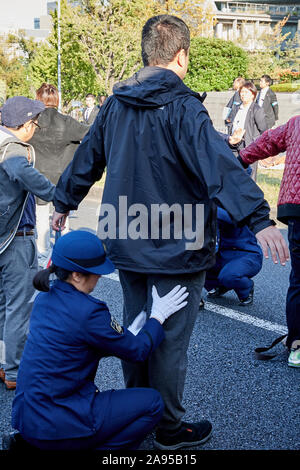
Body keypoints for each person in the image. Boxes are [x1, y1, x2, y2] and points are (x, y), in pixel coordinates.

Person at [51, 15, 289, 450]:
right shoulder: (184, 108)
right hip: (180, 246)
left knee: (137, 327)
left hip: (125, 237)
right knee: (171, 342)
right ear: (181, 56)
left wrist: (64, 201)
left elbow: (88, 156)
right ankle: (169, 427)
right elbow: (219, 163)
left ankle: (138, 416)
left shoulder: (116, 103)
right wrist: (259, 218)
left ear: (147, 54)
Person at [9, 230, 189, 450]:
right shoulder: (89, 311)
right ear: (76, 275)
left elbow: (76, 345)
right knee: (152, 403)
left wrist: (125, 334)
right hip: (58, 422)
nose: (100, 275)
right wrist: (157, 317)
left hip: (28, 419)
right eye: (95, 271)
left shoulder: (44, 297)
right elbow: (138, 351)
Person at [0, 96, 55, 390]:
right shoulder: (12, 149)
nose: (35, 127)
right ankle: (14, 371)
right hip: (15, 238)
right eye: (33, 122)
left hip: (1, 237)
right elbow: (24, 174)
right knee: (19, 307)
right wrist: (58, 195)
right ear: (22, 125)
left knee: (2, 306)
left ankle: (2, 363)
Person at [238, 115, 300, 367]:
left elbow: (268, 141)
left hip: (296, 208)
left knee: (299, 280)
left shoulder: (296, 123)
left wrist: (241, 158)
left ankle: (297, 342)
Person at [29, 83, 90, 268]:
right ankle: (66, 253)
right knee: (64, 215)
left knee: (41, 216)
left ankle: (42, 254)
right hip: (63, 177)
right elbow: (89, 131)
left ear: (39, 99)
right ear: (56, 99)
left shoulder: (33, 123)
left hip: (38, 175)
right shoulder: (66, 122)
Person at [204, 207, 263, 306]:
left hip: (246, 254)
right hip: (224, 254)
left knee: (229, 276)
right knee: (198, 264)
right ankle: (220, 285)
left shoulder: (228, 206)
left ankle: (246, 288)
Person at [226, 80, 268, 180]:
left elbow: (263, 129)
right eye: (242, 92)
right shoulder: (236, 108)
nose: (243, 95)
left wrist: (258, 146)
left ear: (253, 95)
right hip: (234, 144)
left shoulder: (257, 109)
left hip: (249, 144)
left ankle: (250, 194)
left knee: (249, 173)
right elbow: (230, 122)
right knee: (234, 170)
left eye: (246, 92)